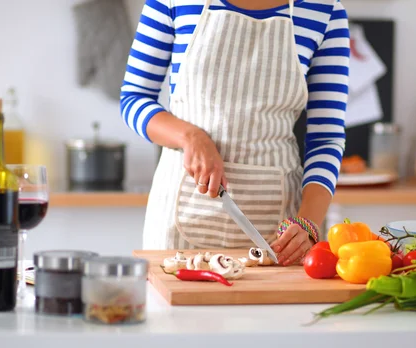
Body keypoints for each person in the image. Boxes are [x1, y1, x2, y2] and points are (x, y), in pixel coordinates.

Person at [121, 0, 350, 265]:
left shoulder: (324, 10)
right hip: (178, 220)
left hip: (279, 231)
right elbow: (134, 98)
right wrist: (190, 136)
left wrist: (308, 220)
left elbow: (327, 137)